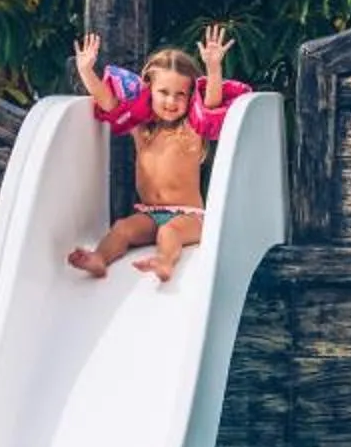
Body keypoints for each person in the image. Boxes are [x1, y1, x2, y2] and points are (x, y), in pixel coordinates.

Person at [66, 24, 249, 283]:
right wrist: (86, 71)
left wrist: (213, 67)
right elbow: (108, 102)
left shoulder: (191, 130)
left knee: (169, 233)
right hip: (149, 213)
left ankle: (164, 262)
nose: (171, 102)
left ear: (189, 98)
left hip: (189, 217)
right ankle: (99, 259)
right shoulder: (141, 129)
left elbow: (211, 104)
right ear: (148, 90)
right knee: (121, 229)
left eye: (180, 95)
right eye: (163, 92)